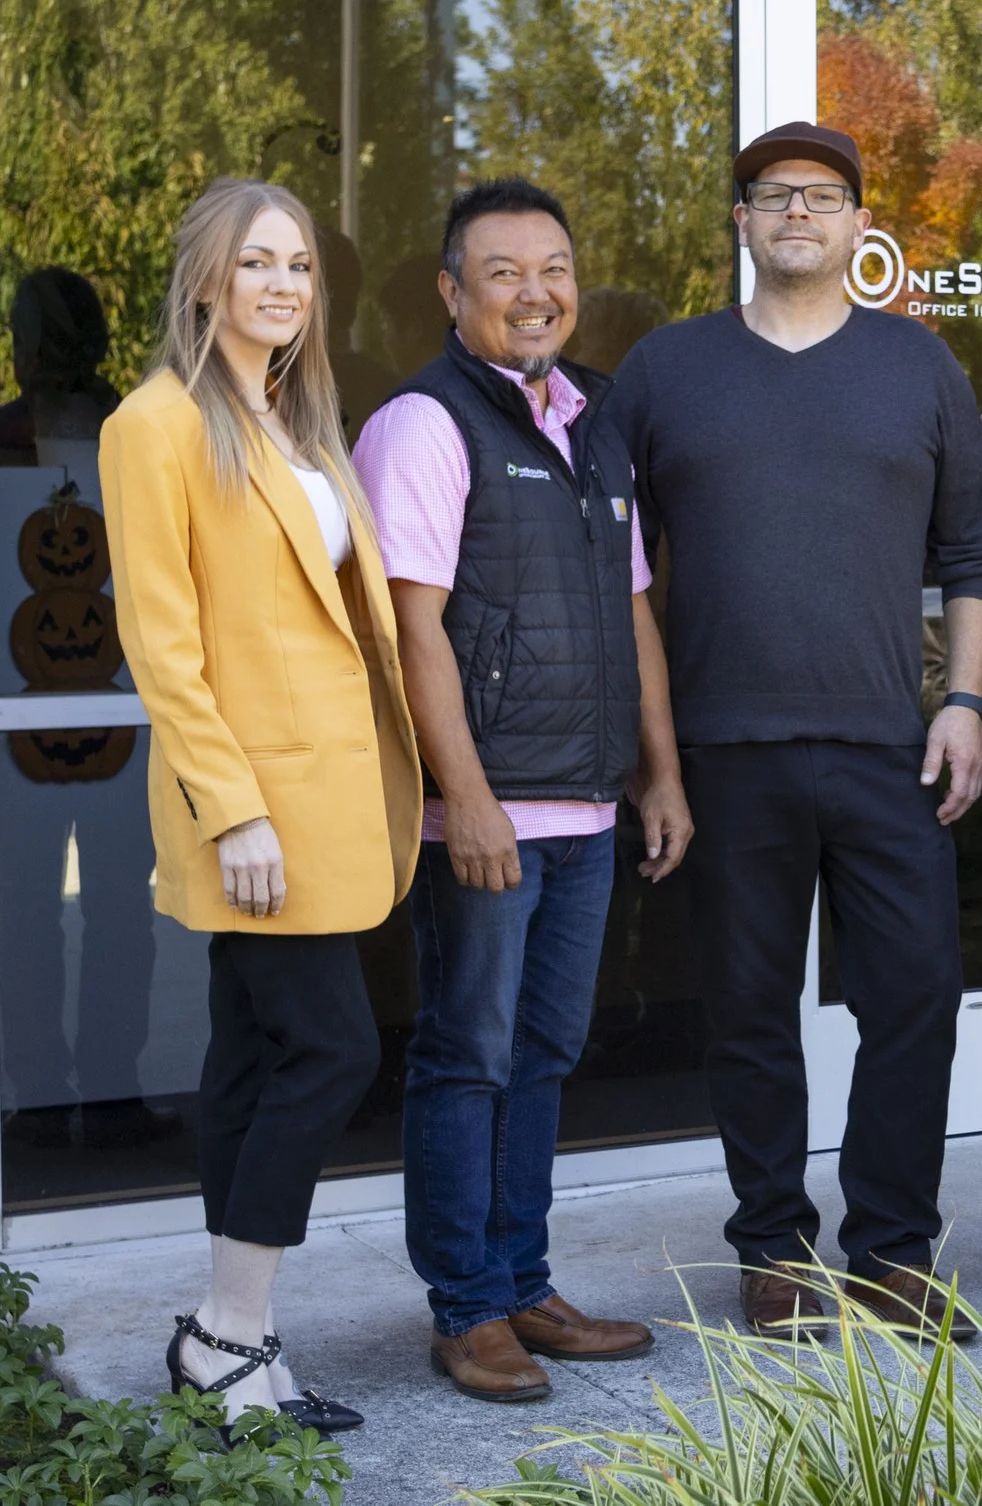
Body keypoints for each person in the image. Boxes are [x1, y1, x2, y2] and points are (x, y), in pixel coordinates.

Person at [613, 121, 982, 1339]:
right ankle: (773, 1246)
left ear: (858, 226)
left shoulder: (918, 366)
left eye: (824, 195)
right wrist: (656, 762)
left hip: (889, 744)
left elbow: (974, 553)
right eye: (774, 193)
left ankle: (892, 1250)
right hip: (724, 749)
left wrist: (963, 701)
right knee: (747, 1008)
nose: (798, 211)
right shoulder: (666, 369)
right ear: (741, 220)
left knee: (914, 999)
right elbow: (615, 569)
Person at [353, 177, 689, 1403]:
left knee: (544, 1051)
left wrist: (659, 769)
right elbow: (412, 628)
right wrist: (469, 797)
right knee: (467, 1055)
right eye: (503, 271)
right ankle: (466, 1304)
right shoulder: (422, 424)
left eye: (553, 268)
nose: (535, 291)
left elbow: (632, 608)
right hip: (488, 816)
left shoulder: (593, 420)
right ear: (453, 292)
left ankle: (522, 1279)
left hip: (587, 808)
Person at [102, 177, 421, 1430]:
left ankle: (230, 1335)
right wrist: (230, 808)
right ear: (205, 280)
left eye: (298, 265)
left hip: (330, 794)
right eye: (256, 262)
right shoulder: (156, 425)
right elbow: (162, 646)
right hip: (255, 806)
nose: (283, 284)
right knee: (333, 1047)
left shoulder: (297, 421)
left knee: (249, 1051)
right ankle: (228, 1331)